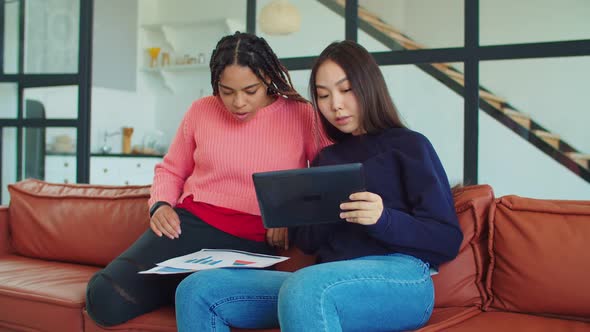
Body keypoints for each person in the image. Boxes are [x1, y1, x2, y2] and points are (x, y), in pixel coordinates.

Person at [174, 40, 463, 332]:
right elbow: (311, 243)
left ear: (369, 86)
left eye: (345, 90)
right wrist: (296, 209)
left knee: (306, 287)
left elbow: (447, 239)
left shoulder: (410, 146)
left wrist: (382, 218)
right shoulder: (328, 157)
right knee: (198, 290)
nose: (335, 105)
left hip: (400, 277)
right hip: (325, 277)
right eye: (323, 96)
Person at [85, 32, 328, 326]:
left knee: (201, 296)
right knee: (104, 299)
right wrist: (160, 205)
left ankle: (178, 288)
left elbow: (325, 181)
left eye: (250, 90)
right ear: (216, 84)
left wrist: (288, 214)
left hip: (250, 243)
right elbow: (171, 169)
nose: (238, 102)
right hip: (188, 226)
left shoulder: (302, 115)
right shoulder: (201, 110)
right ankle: (173, 287)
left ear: (267, 77)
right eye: (227, 91)